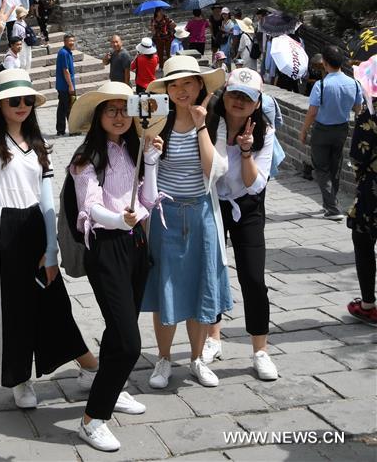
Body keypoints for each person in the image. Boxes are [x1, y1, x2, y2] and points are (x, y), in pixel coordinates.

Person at [0, 5, 95, 408]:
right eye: (13, 101)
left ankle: (89, 366)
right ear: (0, 106)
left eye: (26, 99)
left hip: (36, 228)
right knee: (13, 307)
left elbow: (46, 202)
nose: (21, 106)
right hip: (1, 228)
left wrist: (52, 247)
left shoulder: (40, 147)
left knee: (54, 300)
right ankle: (20, 379)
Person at [70, 82, 163, 452]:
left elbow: (149, 199)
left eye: (125, 109)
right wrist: (117, 219)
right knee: (128, 341)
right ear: (98, 116)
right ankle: (92, 419)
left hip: (137, 244)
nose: (120, 117)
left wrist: (152, 163)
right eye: (111, 110)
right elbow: (89, 207)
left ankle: (114, 387)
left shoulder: (134, 150)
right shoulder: (85, 158)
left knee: (118, 328)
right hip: (106, 249)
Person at [142, 55, 231, 389]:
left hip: (201, 214)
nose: (181, 90)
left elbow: (213, 172)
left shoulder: (212, 123)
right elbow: (147, 173)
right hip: (165, 216)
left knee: (199, 288)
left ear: (199, 87)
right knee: (165, 287)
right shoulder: (155, 122)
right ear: (167, 89)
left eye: (187, 83)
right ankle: (164, 359)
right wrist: (151, 153)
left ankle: (195, 359)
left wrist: (201, 125)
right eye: (174, 84)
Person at [203, 68, 279, 381]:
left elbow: (253, 185)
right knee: (211, 272)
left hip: (247, 207)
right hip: (212, 203)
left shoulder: (265, 131)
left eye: (246, 97)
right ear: (225, 95)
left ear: (257, 103)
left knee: (252, 277)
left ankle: (260, 350)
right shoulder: (209, 123)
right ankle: (213, 338)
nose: (239, 101)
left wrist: (246, 150)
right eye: (234, 94)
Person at [300, 45, 363, 220]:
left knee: (321, 168)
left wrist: (303, 131)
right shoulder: (354, 84)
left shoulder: (321, 85)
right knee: (335, 167)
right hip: (342, 129)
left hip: (322, 130)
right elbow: (358, 109)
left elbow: (312, 112)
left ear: (325, 63)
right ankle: (331, 202)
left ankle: (332, 209)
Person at [346, 71, 377, 326]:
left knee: (364, 239)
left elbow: (358, 154)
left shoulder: (370, 112)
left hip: (373, 190)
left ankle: (368, 304)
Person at [56, 34, 76, 136]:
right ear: (64, 42)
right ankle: (72, 129)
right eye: (69, 41)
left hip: (63, 85)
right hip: (65, 86)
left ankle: (60, 130)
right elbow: (65, 70)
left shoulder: (66, 52)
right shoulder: (64, 53)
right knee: (69, 107)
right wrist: (70, 85)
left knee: (62, 108)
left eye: (73, 40)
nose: (72, 42)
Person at [11, 7, 33, 71]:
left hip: (27, 42)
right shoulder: (16, 25)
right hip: (21, 44)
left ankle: (27, 74)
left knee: (28, 58)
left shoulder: (23, 22)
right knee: (23, 60)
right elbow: (15, 37)